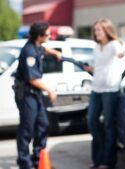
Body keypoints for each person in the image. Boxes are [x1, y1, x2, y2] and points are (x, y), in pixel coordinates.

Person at [13, 21, 61, 169]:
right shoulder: (29, 52)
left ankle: (38, 158)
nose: (49, 36)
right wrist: (50, 90)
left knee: (43, 125)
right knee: (27, 128)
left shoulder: (37, 46)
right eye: (47, 34)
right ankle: (24, 162)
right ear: (39, 36)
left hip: (35, 94)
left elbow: (44, 50)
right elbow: (32, 79)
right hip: (26, 94)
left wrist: (54, 52)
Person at [85, 18, 124, 169]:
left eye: (99, 30)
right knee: (92, 122)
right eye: (95, 30)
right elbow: (100, 67)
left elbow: (120, 52)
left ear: (107, 30)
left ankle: (108, 162)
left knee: (108, 125)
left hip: (110, 90)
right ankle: (97, 160)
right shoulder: (97, 47)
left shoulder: (114, 45)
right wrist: (91, 70)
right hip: (96, 88)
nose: (96, 33)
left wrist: (122, 51)